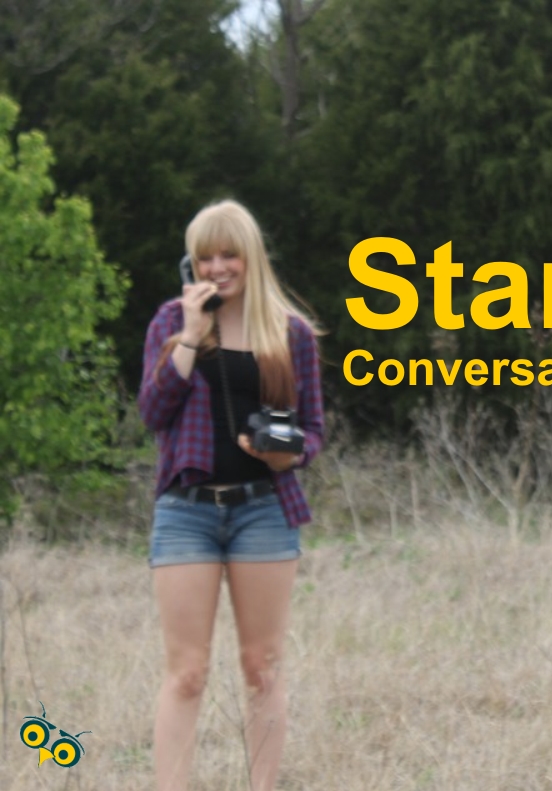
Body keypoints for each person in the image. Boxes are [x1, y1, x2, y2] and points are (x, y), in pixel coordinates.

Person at [137, 199, 324, 791]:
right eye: (205, 256)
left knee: (262, 669)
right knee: (187, 673)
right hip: (186, 512)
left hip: (264, 510)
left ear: (251, 258)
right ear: (191, 264)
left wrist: (286, 454)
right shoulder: (171, 321)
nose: (218, 266)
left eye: (229, 254)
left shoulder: (290, 331)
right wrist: (191, 338)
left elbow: (312, 429)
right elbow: (154, 412)